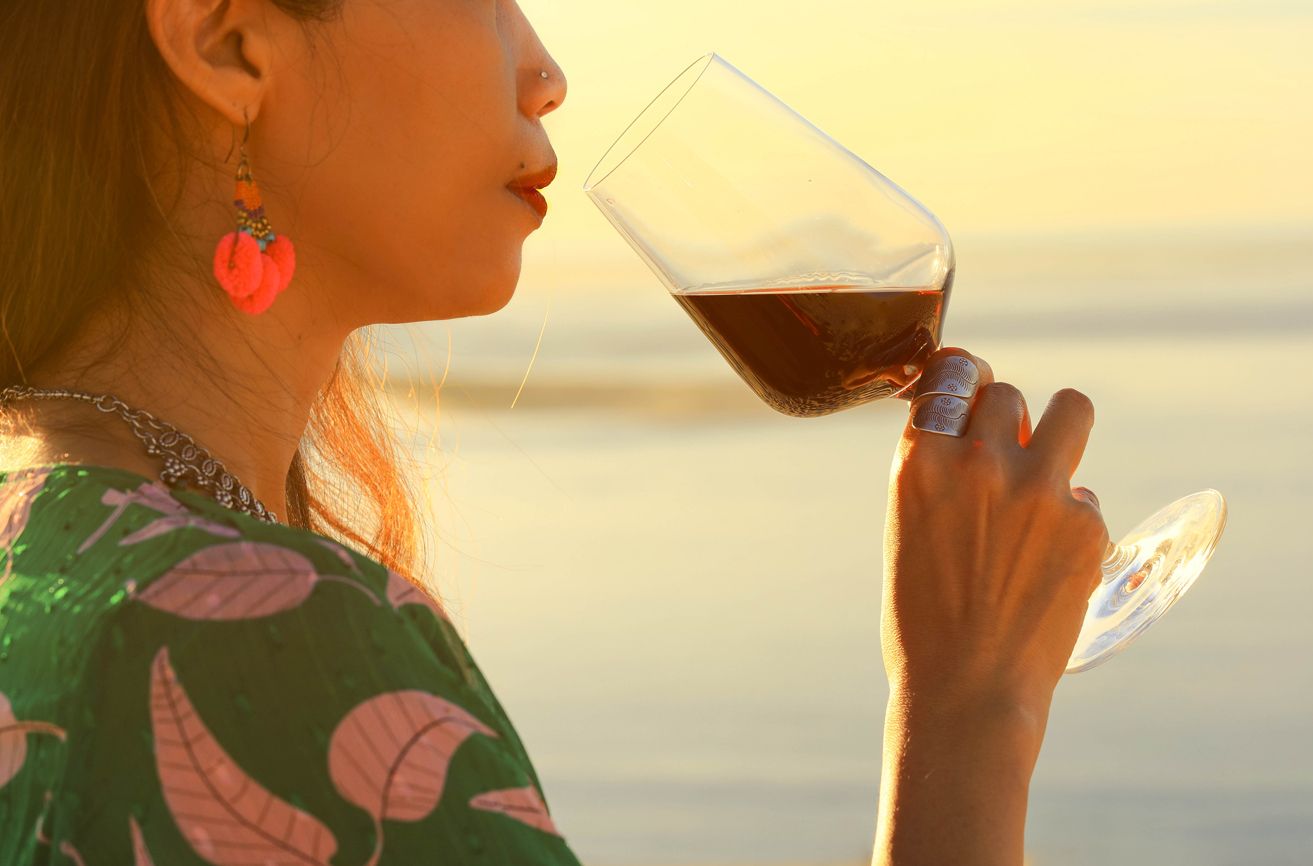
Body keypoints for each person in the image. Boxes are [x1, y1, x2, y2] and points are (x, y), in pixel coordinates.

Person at [0, 1, 1108, 864]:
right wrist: (972, 707)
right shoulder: (264, 632)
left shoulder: (47, 541)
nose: (546, 73)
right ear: (229, 44)